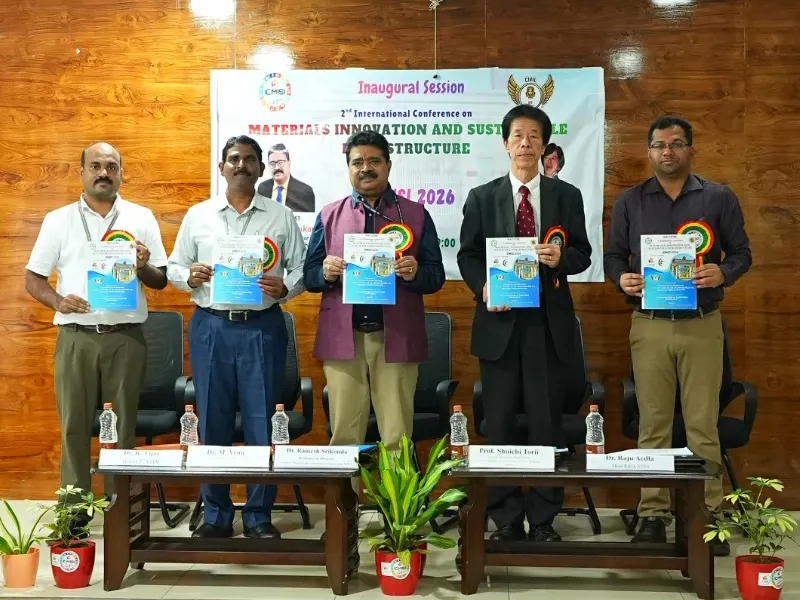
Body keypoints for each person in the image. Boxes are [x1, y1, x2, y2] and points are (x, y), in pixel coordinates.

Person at [604, 115, 752, 556]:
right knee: (654, 424)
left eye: (676, 143)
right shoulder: (630, 201)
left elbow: (742, 253)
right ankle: (653, 514)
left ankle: (707, 517)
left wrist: (722, 271)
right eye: (659, 145)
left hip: (702, 324)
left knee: (703, 424)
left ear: (690, 149)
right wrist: (621, 278)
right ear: (649, 151)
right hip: (649, 325)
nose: (667, 151)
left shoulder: (718, 197)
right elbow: (613, 256)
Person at [458, 105, 592, 542]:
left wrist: (561, 258)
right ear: (505, 144)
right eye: (517, 135)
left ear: (545, 145)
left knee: (545, 422)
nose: (525, 144)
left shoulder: (565, 196)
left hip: (547, 326)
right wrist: (482, 287)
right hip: (499, 324)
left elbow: (583, 253)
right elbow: (468, 255)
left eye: (534, 136)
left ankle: (545, 518)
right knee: (499, 424)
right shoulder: (482, 197)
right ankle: (506, 518)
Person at [167, 135, 306, 539]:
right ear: (222, 167)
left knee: (263, 420)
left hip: (262, 327)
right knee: (213, 418)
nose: (241, 165)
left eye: (249, 159)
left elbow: (301, 268)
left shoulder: (281, 216)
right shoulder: (199, 215)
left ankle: (259, 516)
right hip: (212, 326)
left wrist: (287, 287)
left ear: (261, 168)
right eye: (233, 159)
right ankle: (216, 515)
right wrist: (189, 276)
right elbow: (175, 266)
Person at [25, 142, 168, 528]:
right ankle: (74, 512)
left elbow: (160, 280)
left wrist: (142, 265)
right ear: (81, 172)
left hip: (126, 337)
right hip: (77, 336)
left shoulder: (141, 217)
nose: (104, 172)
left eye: (111, 166)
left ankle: (121, 508)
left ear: (121, 173)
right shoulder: (58, 220)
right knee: (73, 426)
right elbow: (33, 278)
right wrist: (58, 301)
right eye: (95, 166)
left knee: (124, 425)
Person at [304, 130, 445, 456]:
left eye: (374, 161)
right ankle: (347, 493)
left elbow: (435, 275)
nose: (365, 168)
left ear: (388, 165)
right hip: (343, 339)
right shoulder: (329, 215)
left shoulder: (416, 214)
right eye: (357, 162)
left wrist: (415, 273)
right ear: (348, 168)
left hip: (395, 337)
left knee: (397, 438)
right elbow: (309, 276)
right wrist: (324, 272)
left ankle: (397, 493)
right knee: (344, 437)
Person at [257, 143, 316, 212]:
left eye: (280, 162)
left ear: (289, 163)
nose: (276, 167)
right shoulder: (262, 188)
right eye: (272, 163)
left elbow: (308, 217)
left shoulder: (305, 191)